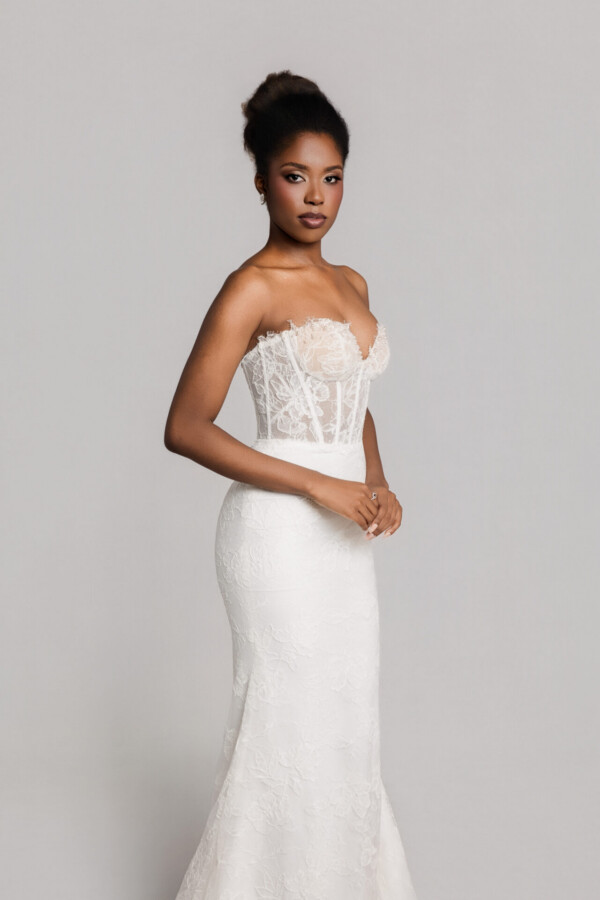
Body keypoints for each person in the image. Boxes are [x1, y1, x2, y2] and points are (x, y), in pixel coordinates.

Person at [164, 69, 418, 900]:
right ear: (262, 181)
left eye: (332, 177)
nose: (316, 196)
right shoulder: (252, 289)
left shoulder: (354, 285)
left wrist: (375, 484)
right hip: (275, 539)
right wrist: (320, 486)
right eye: (296, 176)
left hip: (345, 541)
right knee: (286, 731)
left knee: (344, 730)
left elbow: (355, 405)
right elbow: (186, 427)